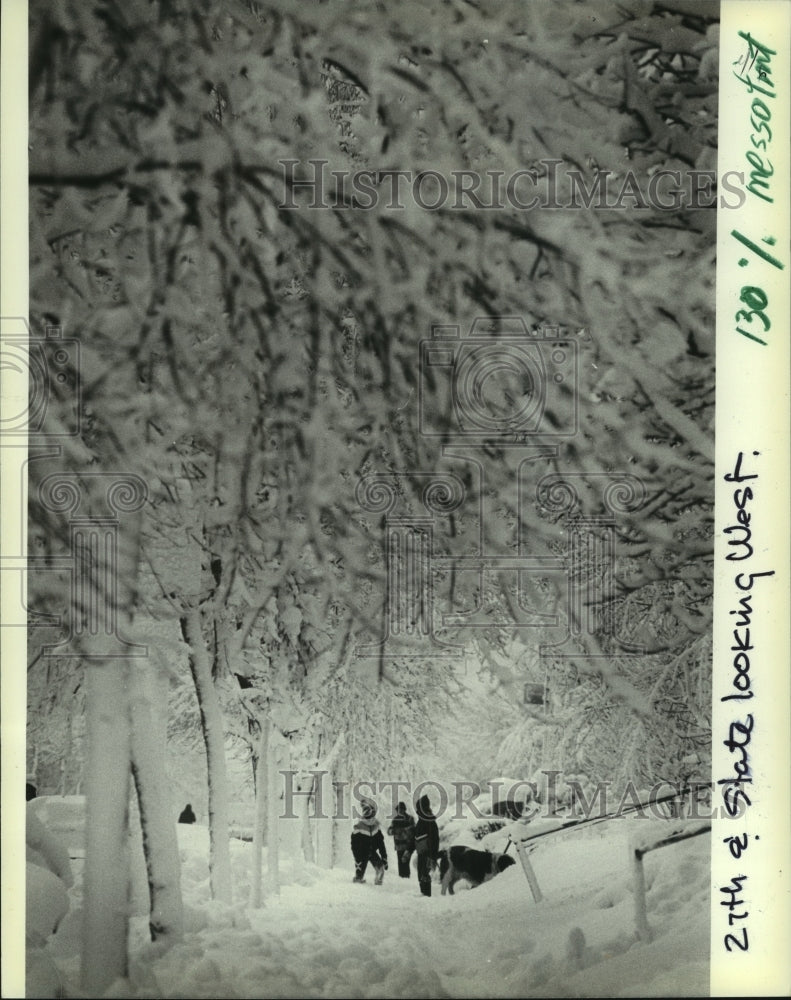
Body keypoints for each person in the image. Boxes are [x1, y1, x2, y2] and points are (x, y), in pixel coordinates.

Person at [350, 797, 388, 885]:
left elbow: (381, 844)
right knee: (360, 872)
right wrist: (357, 859)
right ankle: (358, 881)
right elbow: (354, 846)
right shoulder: (359, 827)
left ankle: (375, 879)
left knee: (380, 868)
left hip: (371, 851)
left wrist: (384, 857)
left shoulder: (375, 827)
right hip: (362, 853)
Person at [413, 794, 440, 897]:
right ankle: (424, 894)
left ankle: (426, 896)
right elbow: (416, 837)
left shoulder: (429, 821)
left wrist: (432, 856)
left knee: (424, 875)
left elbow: (435, 840)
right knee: (421, 875)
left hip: (427, 853)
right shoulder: (421, 821)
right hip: (421, 852)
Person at [387, 801, 416, 878]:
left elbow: (414, 830)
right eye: (398, 810)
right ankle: (402, 879)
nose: (400, 811)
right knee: (400, 863)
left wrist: (404, 831)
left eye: (401, 809)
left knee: (406, 862)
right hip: (399, 845)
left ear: (404, 809)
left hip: (408, 845)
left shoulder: (410, 819)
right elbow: (389, 831)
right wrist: (394, 831)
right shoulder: (395, 820)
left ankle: (406, 878)